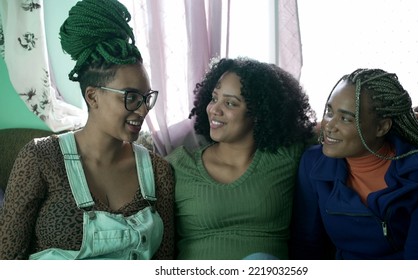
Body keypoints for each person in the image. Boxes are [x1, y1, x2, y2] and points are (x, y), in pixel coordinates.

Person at [0, 0, 174, 260]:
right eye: (131, 97)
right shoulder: (40, 159)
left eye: (146, 97)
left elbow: (165, 263)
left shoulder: (158, 171)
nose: (142, 110)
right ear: (93, 97)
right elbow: (7, 258)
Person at [290, 68, 418, 260]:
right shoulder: (313, 163)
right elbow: (306, 245)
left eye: (345, 118)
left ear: (381, 127)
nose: (329, 125)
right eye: (329, 112)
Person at [166, 57, 317, 260]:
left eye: (230, 103)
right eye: (214, 98)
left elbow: (338, 128)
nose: (214, 109)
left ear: (259, 113)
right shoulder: (178, 165)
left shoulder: (286, 156)